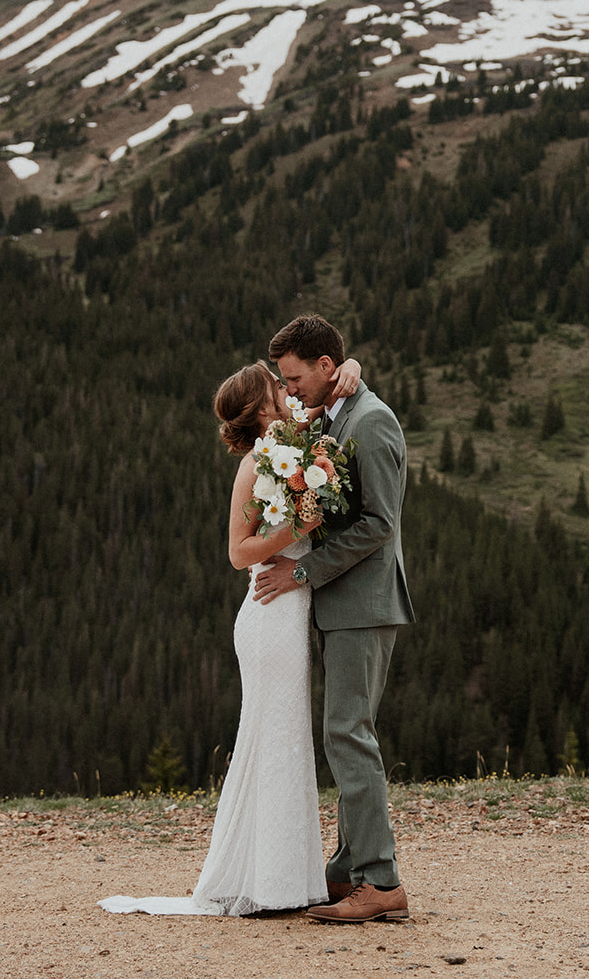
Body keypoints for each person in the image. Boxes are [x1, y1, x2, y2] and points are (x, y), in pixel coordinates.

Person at [99, 354, 361, 917]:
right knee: (274, 737)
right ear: (262, 402)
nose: (286, 387)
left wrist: (354, 365)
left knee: (287, 738)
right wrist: (299, 528)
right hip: (268, 615)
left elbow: (339, 384)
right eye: (276, 383)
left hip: (291, 609)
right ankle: (270, 884)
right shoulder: (254, 463)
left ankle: (283, 878)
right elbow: (238, 553)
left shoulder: (293, 443)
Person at [253, 313, 414, 924]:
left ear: (326, 368)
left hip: (363, 604)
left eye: (295, 378)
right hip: (344, 607)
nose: (289, 390)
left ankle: (381, 882)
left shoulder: (371, 423)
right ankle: (349, 868)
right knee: (346, 732)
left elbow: (379, 525)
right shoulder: (337, 412)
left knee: (348, 734)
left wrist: (302, 572)